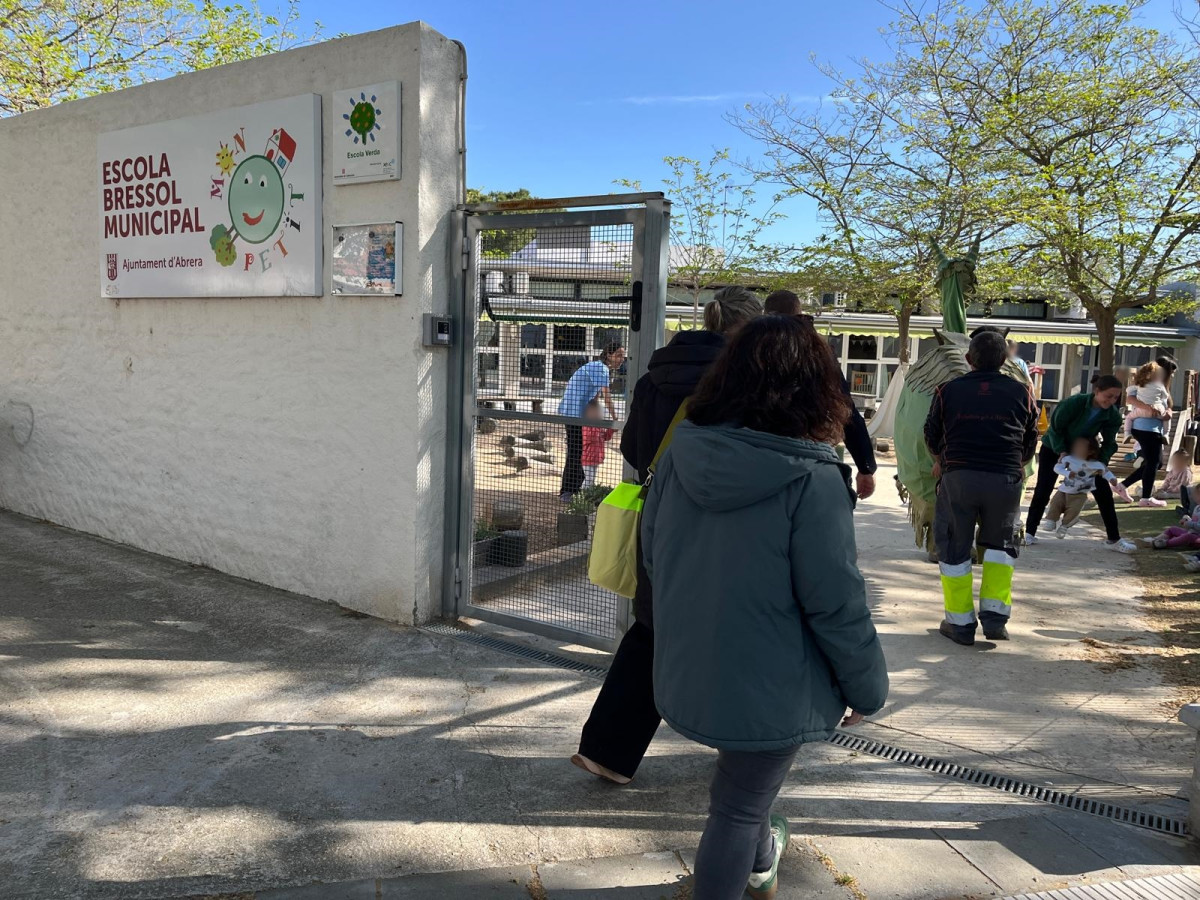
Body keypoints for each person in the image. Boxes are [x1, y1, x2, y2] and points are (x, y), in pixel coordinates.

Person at [642, 315, 888, 900]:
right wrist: (867, 686)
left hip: (693, 657)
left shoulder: (681, 451)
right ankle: (744, 866)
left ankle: (760, 860)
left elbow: (651, 552)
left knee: (743, 791)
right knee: (735, 807)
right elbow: (836, 600)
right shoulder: (815, 476)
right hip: (776, 674)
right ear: (818, 386)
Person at [573, 286, 762, 785]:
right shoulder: (750, 379)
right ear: (748, 328)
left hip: (660, 517)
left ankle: (606, 752)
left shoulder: (658, 371)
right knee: (740, 630)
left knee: (651, 629)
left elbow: (634, 447)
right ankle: (746, 758)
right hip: (726, 524)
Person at [925, 330, 1039, 645]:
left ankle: (960, 625)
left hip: (958, 479)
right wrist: (1014, 465)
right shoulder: (1022, 391)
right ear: (1005, 360)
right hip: (1004, 481)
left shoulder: (947, 390)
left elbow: (931, 435)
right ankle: (995, 621)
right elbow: (1030, 438)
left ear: (967, 359)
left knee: (954, 546)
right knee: (1001, 548)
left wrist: (944, 462)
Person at [763, 289, 878, 499]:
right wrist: (865, 466)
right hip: (809, 454)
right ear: (798, 312)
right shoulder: (817, 349)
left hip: (758, 454)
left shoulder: (751, 345)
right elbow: (845, 407)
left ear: (764, 313)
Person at [1024, 375, 1136, 552]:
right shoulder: (1074, 403)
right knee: (1043, 488)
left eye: (1116, 397)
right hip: (1054, 447)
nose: (1112, 400)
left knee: (1103, 492)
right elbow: (1055, 429)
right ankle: (1029, 532)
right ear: (1096, 391)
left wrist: (1102, 463)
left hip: (1086, 454)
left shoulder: (1112, 415)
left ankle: (1114, 539)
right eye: (1109, 396)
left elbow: (1109, 443)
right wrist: (1062, 451)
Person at [558, 342, 625, 502]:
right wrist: (615, 419)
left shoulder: (596, 367)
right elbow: (607, 397)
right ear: (609, 355)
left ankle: (576, 489)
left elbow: (594, 395)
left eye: (623, 355)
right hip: (574, 413)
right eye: (618, 355)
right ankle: (568, 491)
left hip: (576, 412)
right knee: (576, 451)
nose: (621, 359)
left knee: (578, 451)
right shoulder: (601, 369)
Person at [1044, 437, 1131, 538]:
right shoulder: (1069, 459)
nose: (1076, 448)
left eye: (1081, 447)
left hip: (1080, 494)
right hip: (1063, 490)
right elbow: (1057, 468)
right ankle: (1051, 520)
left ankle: (1064, 526)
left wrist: (1112, 479)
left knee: (1073, 511)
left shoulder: (1096, 465)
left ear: (1090, 451)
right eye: (1076, 446)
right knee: (1055, 504)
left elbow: (1106, 472)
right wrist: (1067, 473)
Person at [1121, 361, 1172, 507]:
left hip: (1155, 427)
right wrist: (1148, 408)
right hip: (1145, 427)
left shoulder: (1161, 387)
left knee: (1156, 462)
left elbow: (1168, 405)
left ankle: (1123, 485)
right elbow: (1130, 399)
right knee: (1153, 462)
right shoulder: (1141, 385)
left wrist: (1167, 412)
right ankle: (1146, 498)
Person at [580, 400, 614, 489]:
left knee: (592, 480)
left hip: (596, 458)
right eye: (596, 412)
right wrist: (598, 426)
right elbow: (589, 437)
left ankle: (588, 496)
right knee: (588, 479)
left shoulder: (598, 426)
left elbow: (605, 437)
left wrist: (611, 430)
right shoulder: (586, 425)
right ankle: (581, 495)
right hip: (587, 458)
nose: (598, 414)